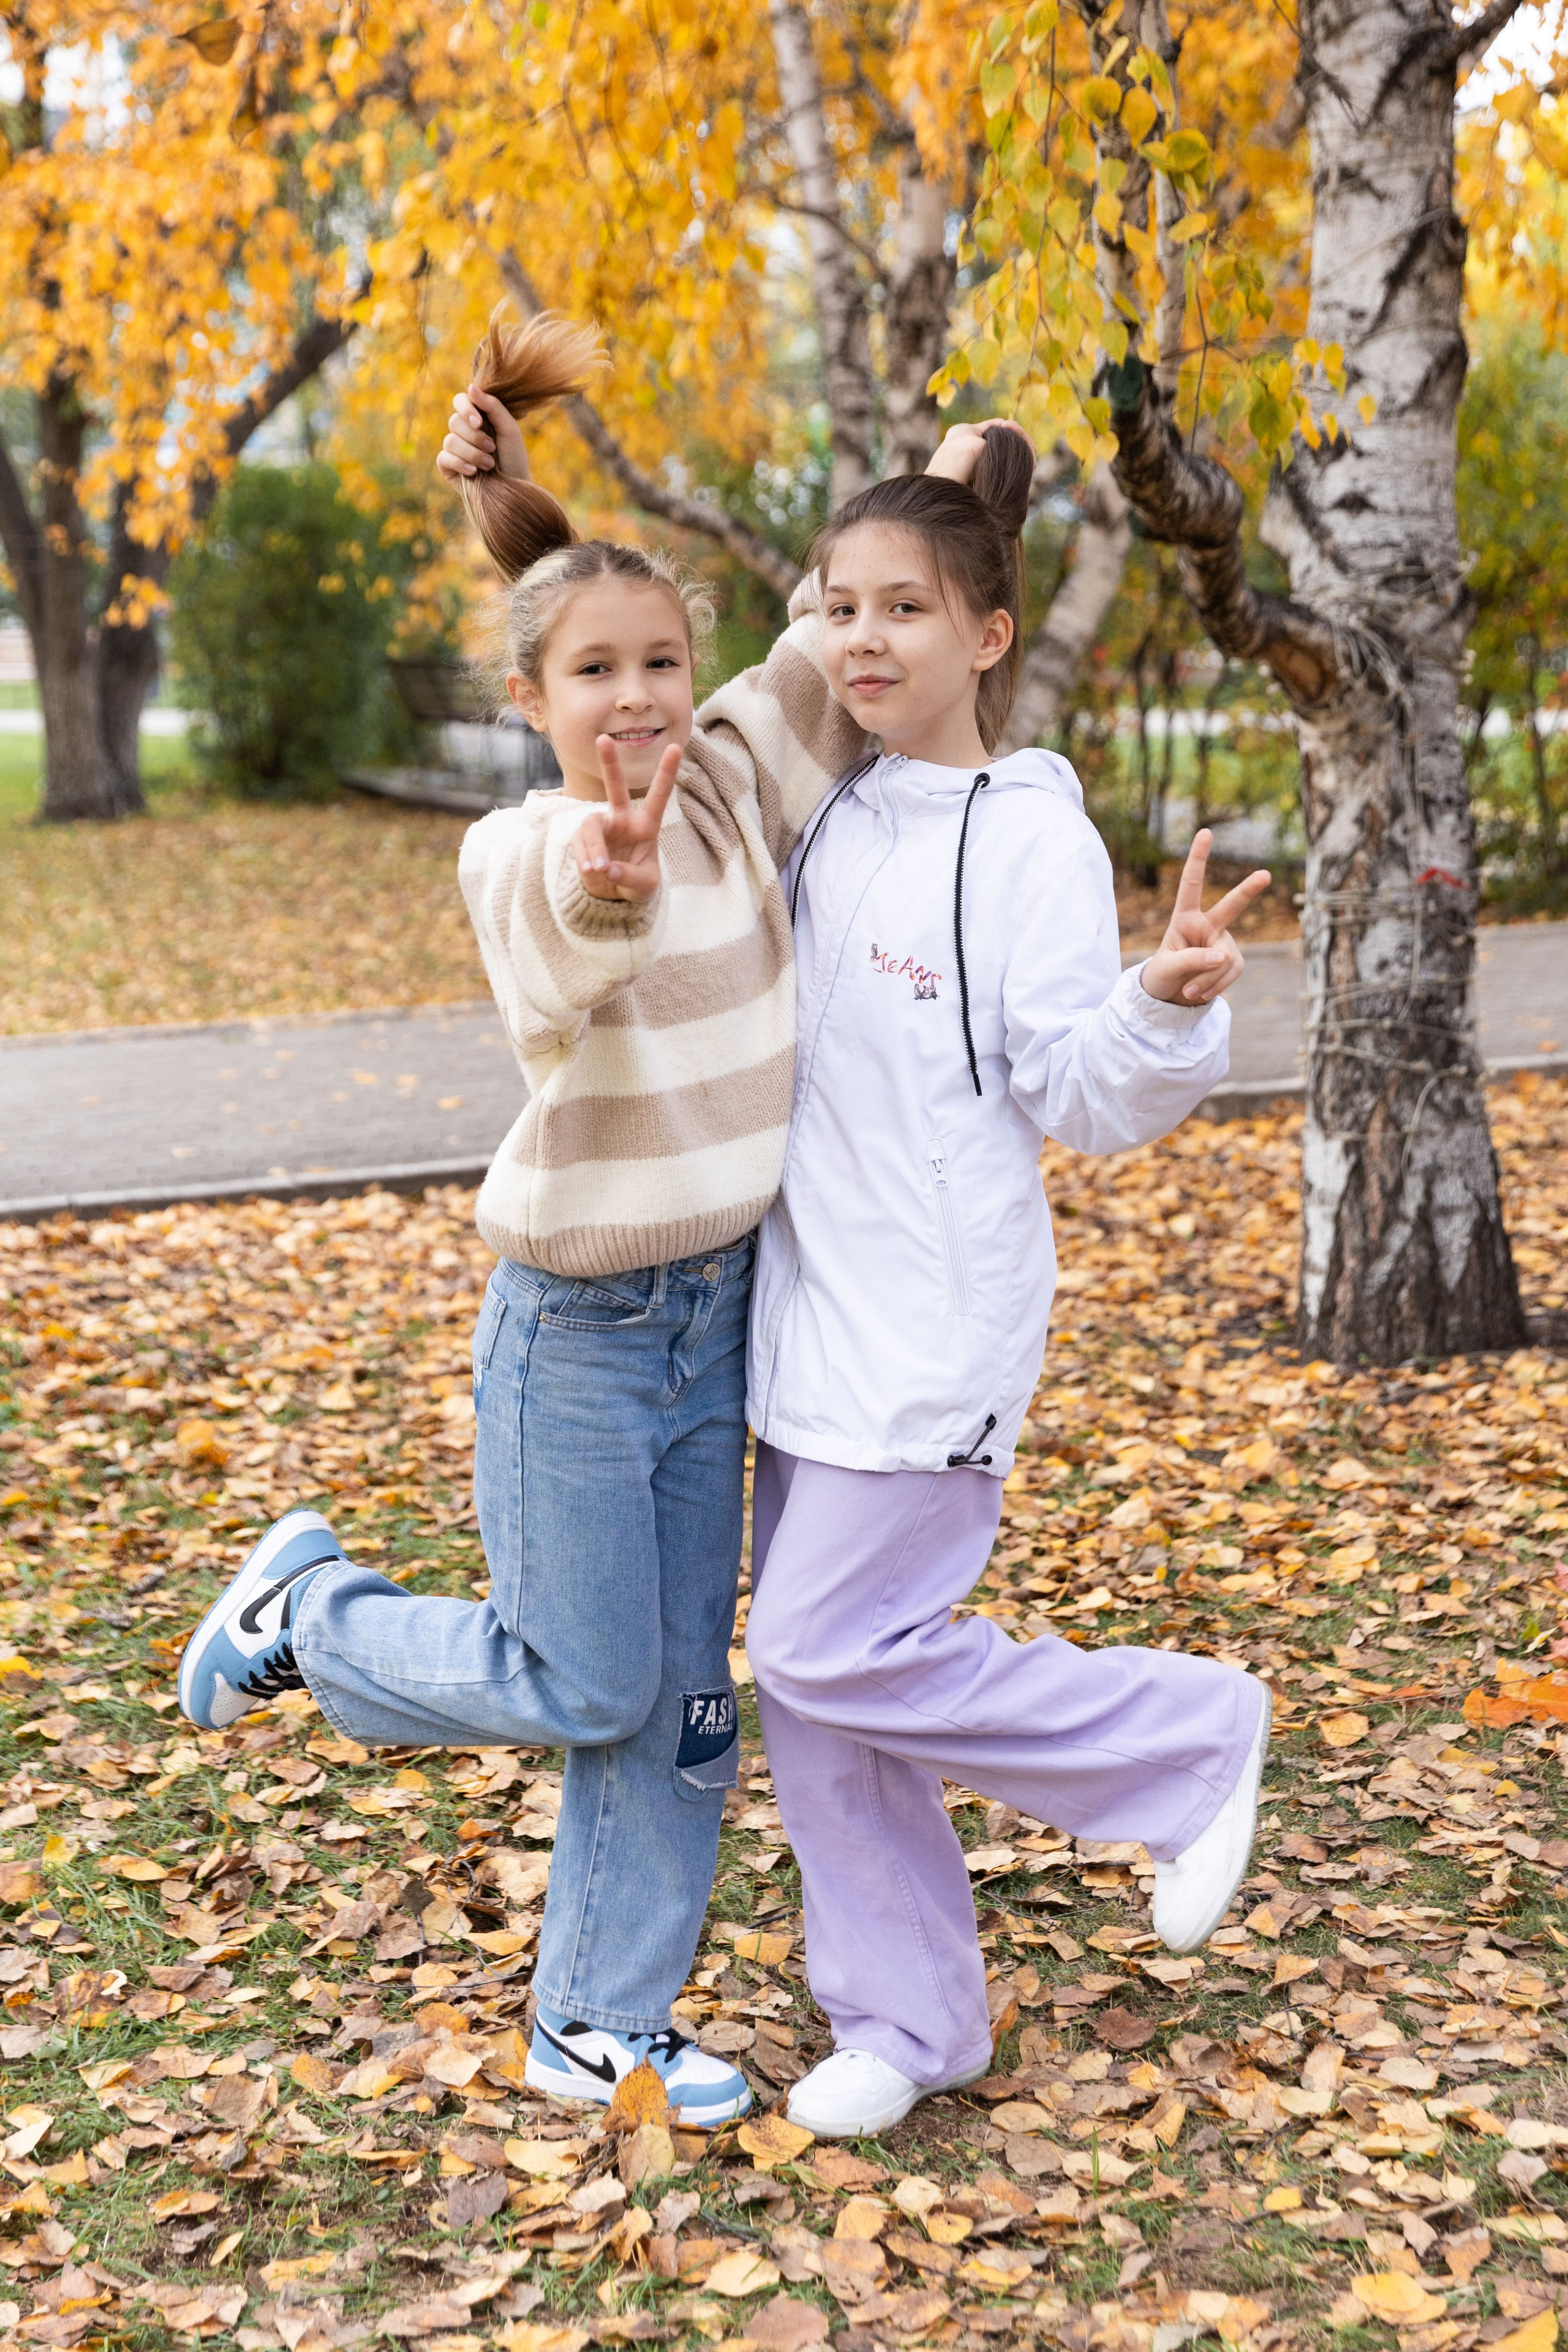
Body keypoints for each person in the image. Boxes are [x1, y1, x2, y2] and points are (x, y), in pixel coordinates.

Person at [173, 311, 1001, 2127]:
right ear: (531, 704)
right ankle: (318, 1616)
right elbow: (562, 945)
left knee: (681, 1715)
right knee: (583, 1672)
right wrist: (601, 871)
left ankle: (596, 2023)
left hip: (725, 1319)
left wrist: (959, 472)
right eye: (592, 676)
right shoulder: (521, 852)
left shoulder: (729, 774)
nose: (631, 702)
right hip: (581, 1331)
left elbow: (830, 638)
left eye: (658, 666)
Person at [728, 433, 1277, 2138]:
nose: (867, 636)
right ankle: (905, 2017)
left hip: (932, 1337)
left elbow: (1080, 1092)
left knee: (822, 1650)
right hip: (796, 1328)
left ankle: (1186, 1739)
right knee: (822, 1710)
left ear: (988, 633)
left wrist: (1166, 1003)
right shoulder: (823, 810)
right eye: (841, 608)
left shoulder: (1027, 836)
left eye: (907, 607)